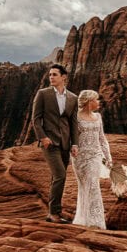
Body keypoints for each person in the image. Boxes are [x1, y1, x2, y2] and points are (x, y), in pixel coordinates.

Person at [31, 64, 79, 223]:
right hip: (49, 143)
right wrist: (42, 138)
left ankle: (53, 212)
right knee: (60, 175)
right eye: (50, 75)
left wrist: (75, 144)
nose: (51, 77)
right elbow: (36, 119)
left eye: (55, 75)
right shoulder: (43, 94)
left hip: (65, 143)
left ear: (63, 77)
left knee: (57, 178)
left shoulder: (73, 98)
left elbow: (73, 123)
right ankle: (54, 213)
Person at [71, 89, 111, 229]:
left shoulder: (98, 117)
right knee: (84, 186)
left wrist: (108, 157)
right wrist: (73, 146)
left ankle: (96, 222)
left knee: (93, 185)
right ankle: (83, 219)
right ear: (89, 102)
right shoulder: (75, 117)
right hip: (79, 157)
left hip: (95, 155)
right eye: (96, 99)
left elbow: (102, 138)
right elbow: (71, 136)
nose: (98, 102)